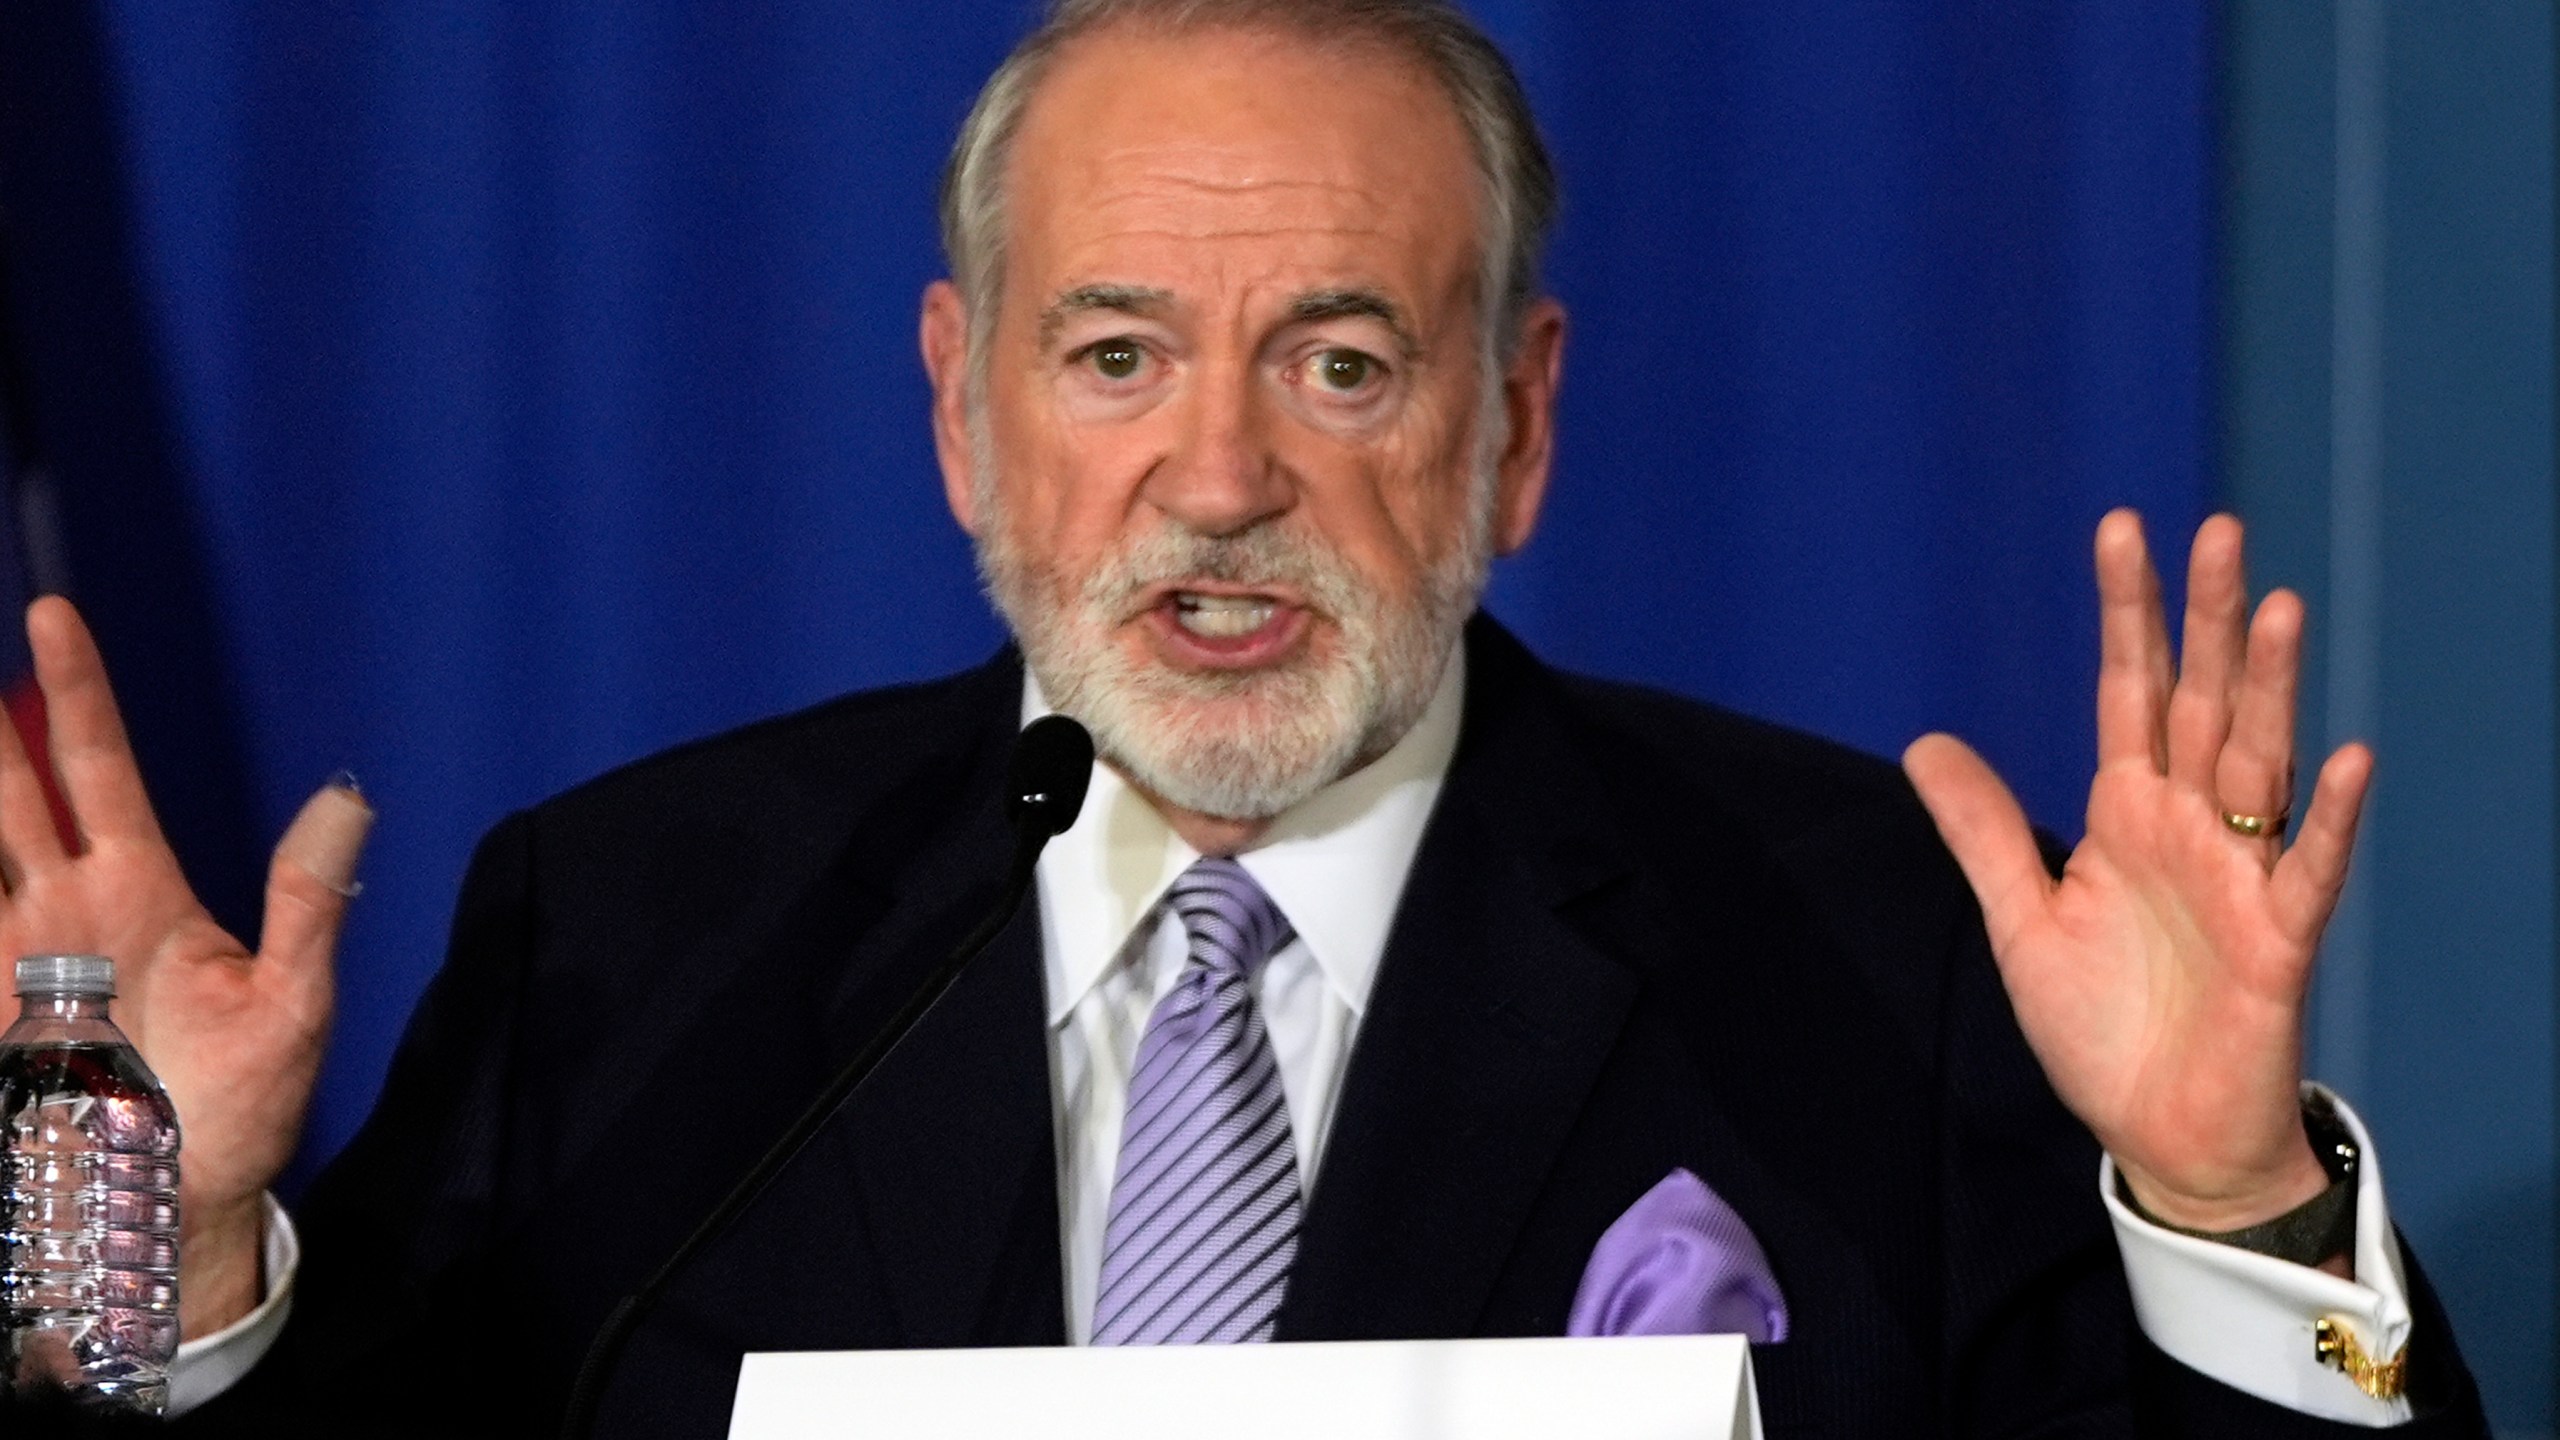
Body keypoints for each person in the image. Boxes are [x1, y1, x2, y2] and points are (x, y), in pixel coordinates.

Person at [0, 1, 2487, 1434]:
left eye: (1338, 359)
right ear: (963, 412)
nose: (1215, 476)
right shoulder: (639, 928)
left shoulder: (1867, 936)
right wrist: (146, 1233)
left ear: (1512, 423)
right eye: (1114, 357)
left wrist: (2226, 1203)